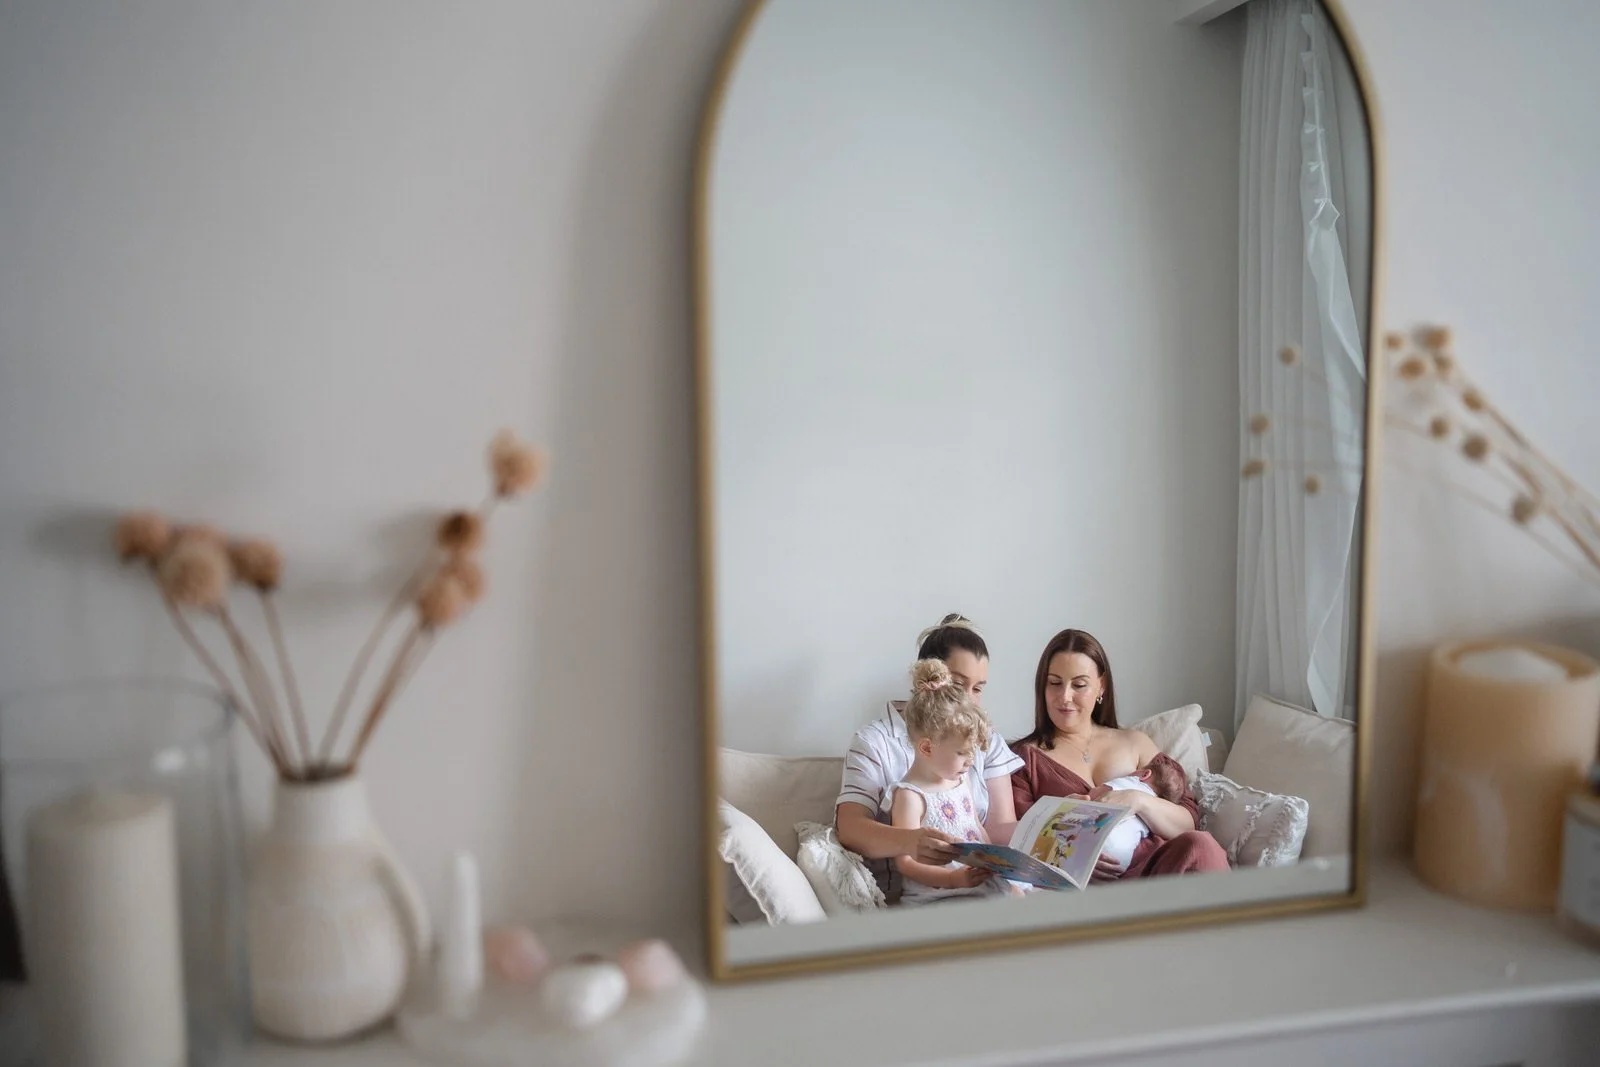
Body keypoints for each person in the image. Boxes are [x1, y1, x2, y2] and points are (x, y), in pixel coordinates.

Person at [1010, 628, 1228, 881]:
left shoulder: (1134, 742)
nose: (1065, 696)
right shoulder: (1024, 759)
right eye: (1055, 683)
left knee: (1200, 846)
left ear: (1100, 686)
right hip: (1083, 886)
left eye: (1079, 684)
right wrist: (1067, 854)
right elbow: (1017, 836)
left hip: (1158, 871)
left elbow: (1188, 821)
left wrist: (1138, 800)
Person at [835, 614, 1023, 898]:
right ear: (929, 678)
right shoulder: (875, 741)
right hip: (932, 893)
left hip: (982, 883)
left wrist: (1053, 834)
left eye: (979, 689)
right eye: (959, 686)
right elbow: (849, 828)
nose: (970, 700)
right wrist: (911, 841)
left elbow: (997, 829)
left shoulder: (986, 739)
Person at [886, 659, 1020, 904]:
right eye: (961, 753)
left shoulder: (961, 780)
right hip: (939, 896)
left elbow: (978, 829)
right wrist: (953, 880)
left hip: (978, 886)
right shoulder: (910, 796)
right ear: (927, 747)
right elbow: (905, 863)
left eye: (973, 752)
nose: (970, 761)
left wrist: (999, 867)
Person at [1085, 757, 1190, 873]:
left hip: (1096, 840)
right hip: (1120, 861)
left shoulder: (1130, 782)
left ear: (1145, 774)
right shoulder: (1156, 813)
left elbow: (1094, 795)